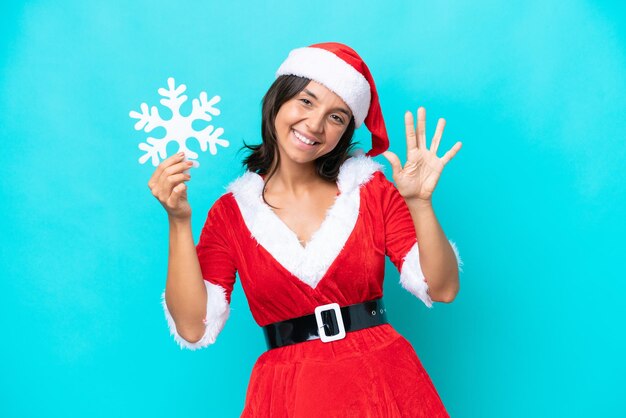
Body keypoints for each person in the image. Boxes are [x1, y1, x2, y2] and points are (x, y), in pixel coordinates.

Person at [149, 42, 463, 417]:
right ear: (277, 100)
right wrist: (179, 221)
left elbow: (442, 288)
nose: (315, 125)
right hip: (289, 394)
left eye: (336, 117)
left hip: (382, 379)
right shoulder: (231, 214)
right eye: (307, 101)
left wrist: (420, 203)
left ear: (346, 132)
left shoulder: (371, 191)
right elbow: (192, 327)